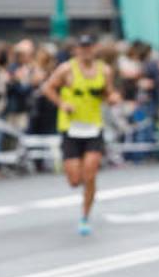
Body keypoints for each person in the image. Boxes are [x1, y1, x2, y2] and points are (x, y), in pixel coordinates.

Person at [41, 35, 120, 235]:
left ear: (94, 49)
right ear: (76, 50)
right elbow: (47, 88)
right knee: (75, 180)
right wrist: (62, 103)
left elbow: (107, 92)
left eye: (89, 47)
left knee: (90, 172)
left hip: (93, 127)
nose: (86, 51)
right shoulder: (66, 69)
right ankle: (84, 185)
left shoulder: (105, 70)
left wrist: (112, 98)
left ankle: (85, 216)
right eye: (82, 47)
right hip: (71, 128)